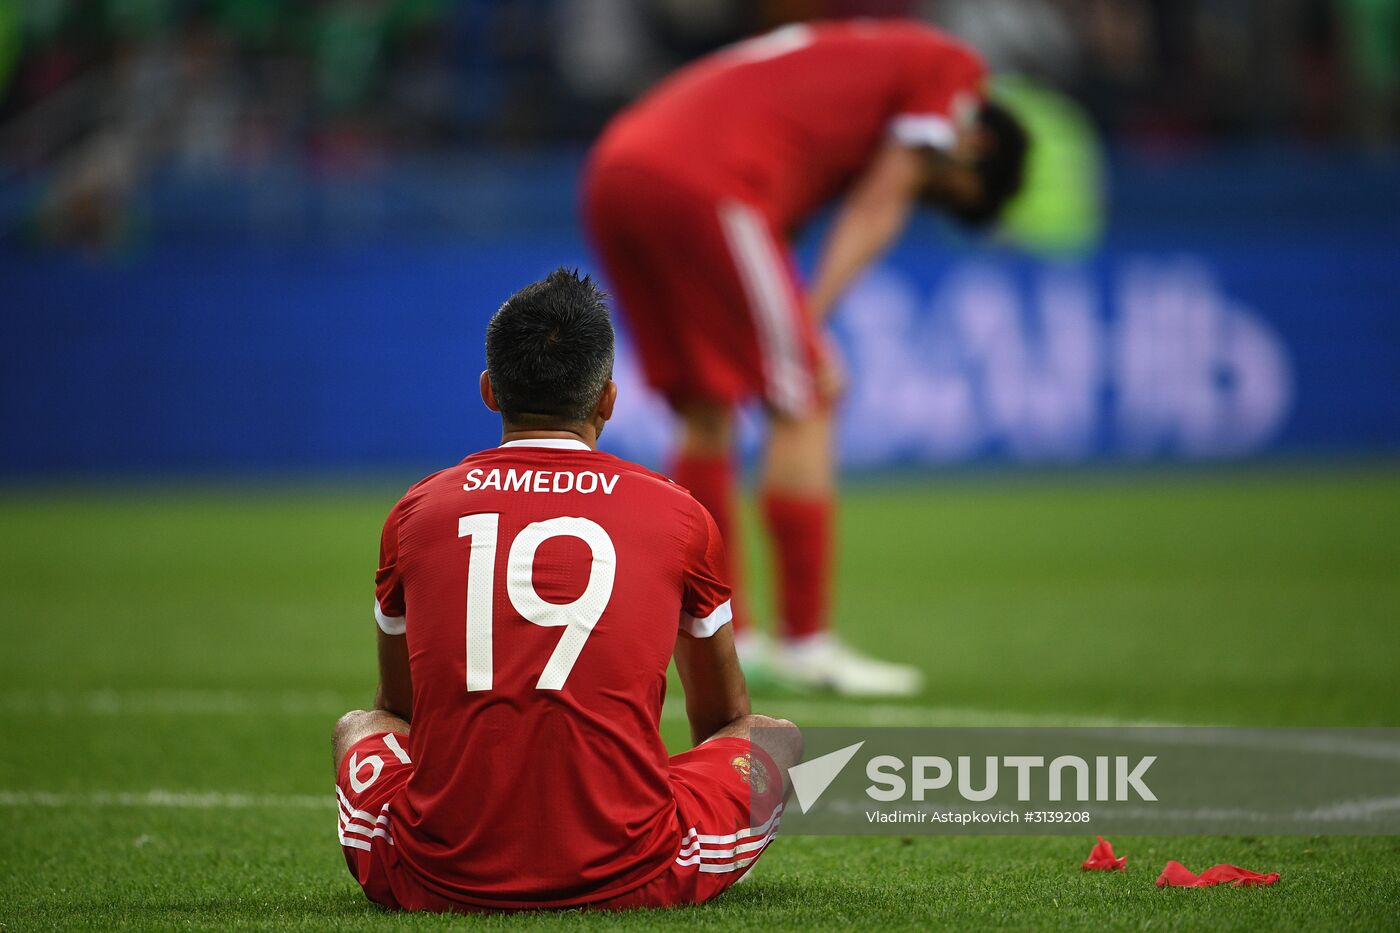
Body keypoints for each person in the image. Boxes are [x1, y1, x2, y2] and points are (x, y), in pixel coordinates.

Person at [332, 269, 802, 913]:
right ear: (608, 399)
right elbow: (724, 718)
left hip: (432, 875)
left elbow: (401, 712)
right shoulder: (678, 515)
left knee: (361, 725)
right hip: (634, 871)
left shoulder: (417, 513)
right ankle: (687, 862)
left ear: (489, 392)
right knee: (773, 736)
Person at [583, 19, 1029, 696]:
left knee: (706, 409)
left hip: (618, 169)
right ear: (974, 142)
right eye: (944, 191)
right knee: (806, 396)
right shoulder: (950, 69)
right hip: (706, 180)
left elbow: (778, 222)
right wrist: (809, 328)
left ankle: (729, 634)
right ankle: (806, 642)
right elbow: (880, 203)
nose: (925, 193)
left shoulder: (852, 66)